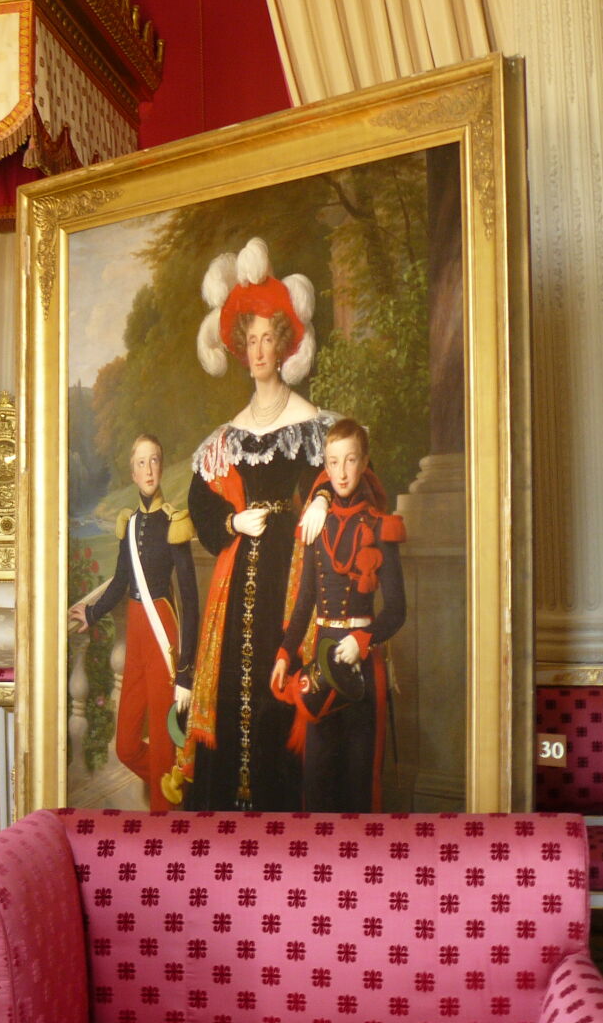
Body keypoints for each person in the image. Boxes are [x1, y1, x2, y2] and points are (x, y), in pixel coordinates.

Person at [179, 237, 338, 812]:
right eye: (251, 340)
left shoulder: (314, 426)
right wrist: (231, 521)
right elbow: (199, 506)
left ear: (287, 343)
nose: (260, 349)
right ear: (241, 350)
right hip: (236, 577)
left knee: (282, 693)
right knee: (230, 695)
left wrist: (320, 500)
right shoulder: (226, 437)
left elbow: (342, 480)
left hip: (292, 579)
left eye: (270, 337)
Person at [272, 417, 406, 813]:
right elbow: (304, 601)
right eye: (334, 462)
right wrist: (284, 653)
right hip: (321, 661)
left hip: (363, 667)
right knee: (316, 782)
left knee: (358, 783)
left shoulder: (383, 528)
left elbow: (398, 611)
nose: (343, 471)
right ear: (325, 467)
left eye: (350, 460)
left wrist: (363, 640)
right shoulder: (318, 524)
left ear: (364, 462)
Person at [69, 435, 198, 811]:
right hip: (137, 632)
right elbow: (122, 581)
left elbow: (190, 602)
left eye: (154, 461)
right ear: (132, 471)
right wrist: (91, 613)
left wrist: (186, 674)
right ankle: (177, 786)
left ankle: (165, 821)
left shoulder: (175, 523)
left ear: (161, 465)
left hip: (163, 632)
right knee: (126, 746)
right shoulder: (127, 523)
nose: (149, 470)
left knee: (161, 738)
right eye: (141, 463)